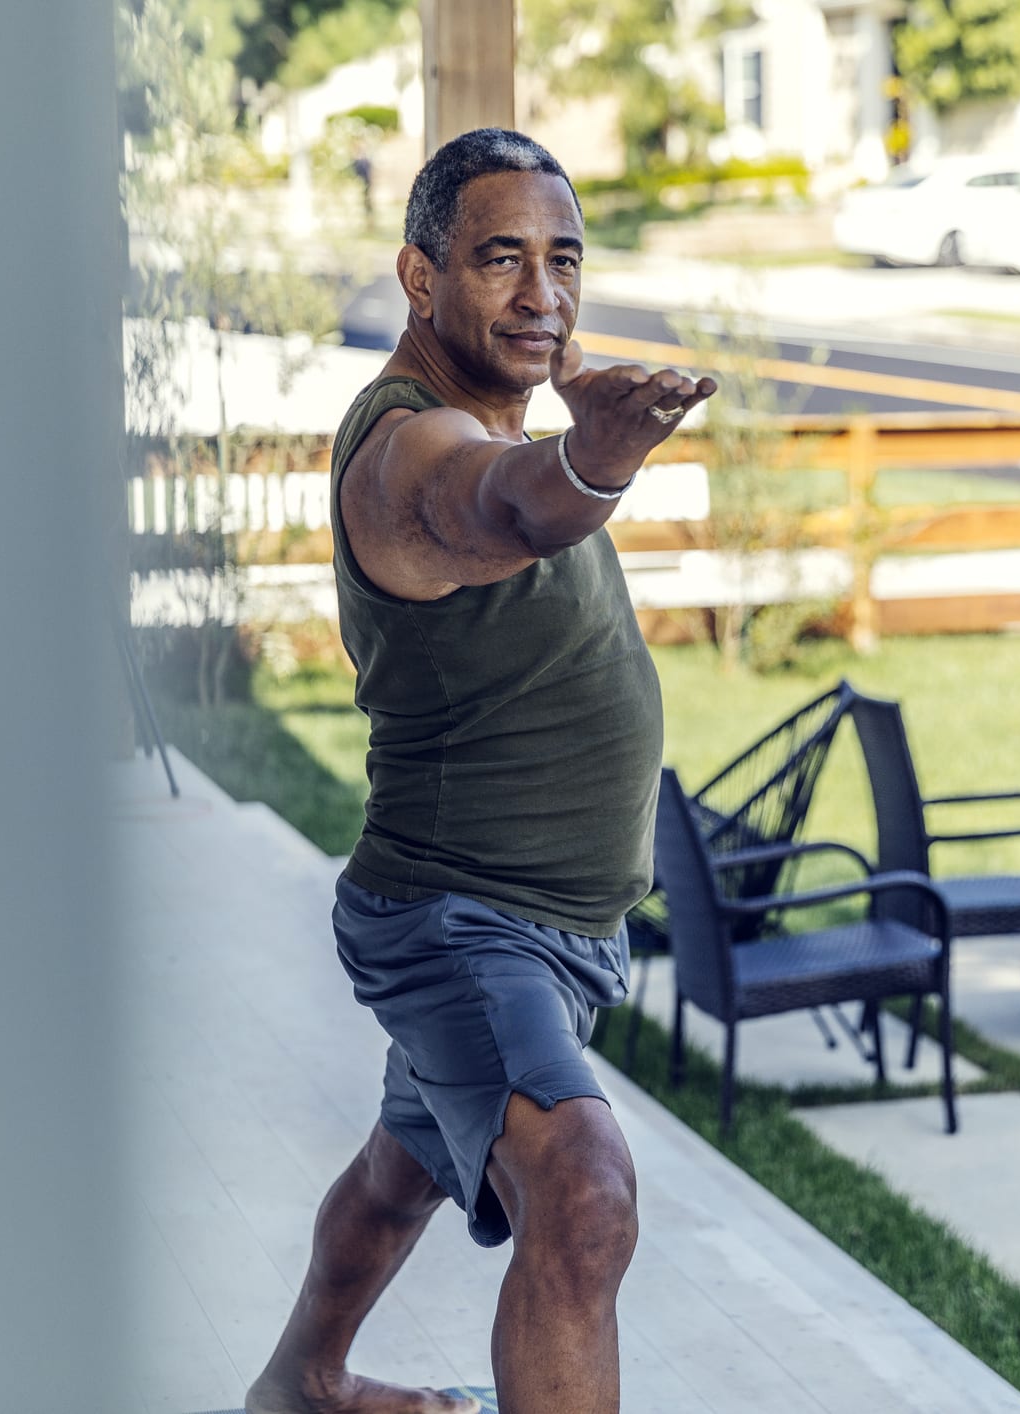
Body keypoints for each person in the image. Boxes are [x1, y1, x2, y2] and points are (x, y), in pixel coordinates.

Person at [244, 129, 716, 1414]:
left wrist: (568, 451)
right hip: (459, 915)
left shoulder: (504, 420)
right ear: (419, 274)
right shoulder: (406, 453)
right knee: (584, 1187)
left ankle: (303, 1383)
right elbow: (498, 507)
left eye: (564, 259)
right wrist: (593, 459)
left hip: (552, 925)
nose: (543, 294)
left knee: (407, 1161)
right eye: (500, 258)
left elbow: (523, 480)